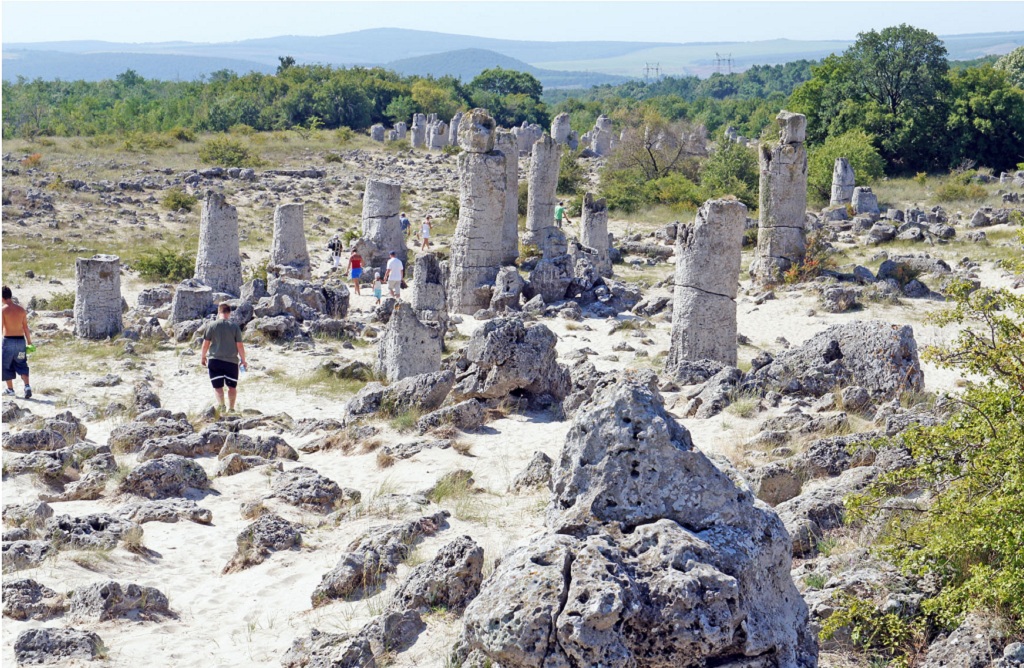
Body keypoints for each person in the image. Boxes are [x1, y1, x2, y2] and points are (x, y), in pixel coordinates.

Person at [200, 303, 247, 413]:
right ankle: (231, 409)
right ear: (229, 313)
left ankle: (221, 406)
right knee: (232, 387)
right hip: (231, 362)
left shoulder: (211, 326)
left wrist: (203, 357)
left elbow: (205, 344)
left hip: (214, 360)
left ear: (218, 312)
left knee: (218, 386)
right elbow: (240, 345)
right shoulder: (234, 327)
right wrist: (243, 360)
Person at [2, 286, 32, 399]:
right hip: (20, 341)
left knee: (5, 365)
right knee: (22, 363)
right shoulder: (21, 310)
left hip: (8, 341)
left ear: (2, 298)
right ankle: (27, 386)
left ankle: (10, 389)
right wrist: (29, 342)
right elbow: (25, 328)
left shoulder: (3, 310)